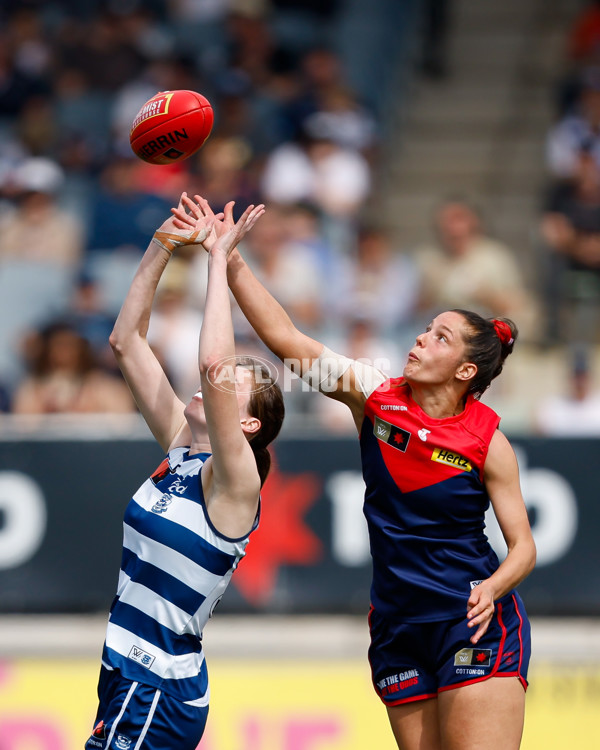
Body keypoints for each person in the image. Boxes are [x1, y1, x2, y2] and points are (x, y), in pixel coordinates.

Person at [173, 196, 537, 750]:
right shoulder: (374, 396)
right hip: (397, 624)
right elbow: (289, 342)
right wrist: (229, 258)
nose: (420, 338)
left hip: (473, 621)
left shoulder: (489, 442)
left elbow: (523, 548)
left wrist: (492, 587)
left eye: (440, 337)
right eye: (426, 328)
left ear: (466, 370)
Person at [85, 195, 285, 750]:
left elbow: (214, 365)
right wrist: (163, 245)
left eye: (235, 387)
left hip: (158, 687)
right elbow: (126, 343)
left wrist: (218, 259)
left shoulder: (235, 483)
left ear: (247, 423)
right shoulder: (182, 449)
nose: (213, 387)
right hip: (124, 673)